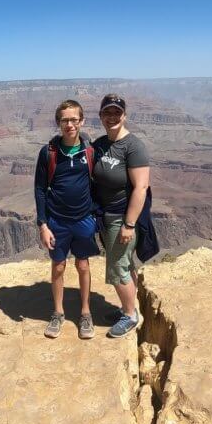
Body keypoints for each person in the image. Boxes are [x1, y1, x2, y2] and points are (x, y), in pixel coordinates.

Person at [34, 99, 98, 340]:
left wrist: (96, 218)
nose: (69, 124)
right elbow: (40, 189)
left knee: (83, 265)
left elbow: (102, 185)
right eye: (64, 120)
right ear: (58, 122)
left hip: (83, 219)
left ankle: (85, 313)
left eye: (74, 119)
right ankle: (58, 312)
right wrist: (43, 224)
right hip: (57, 221)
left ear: (81, 121)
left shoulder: (90, 151)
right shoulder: (48, 153)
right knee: (58, 266)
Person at [92, 94, 150, 338]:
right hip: (104, 216)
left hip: (121, 218)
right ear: (101, 116)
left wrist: (129, 224)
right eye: (107, 113)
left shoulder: (133, 146)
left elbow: (141, 188)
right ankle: (129, 307)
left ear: (124, 115)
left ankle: (129, 316)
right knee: (125, 263)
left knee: (117, 268)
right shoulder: (101, 144)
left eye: (117, 112)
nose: (112, 117)